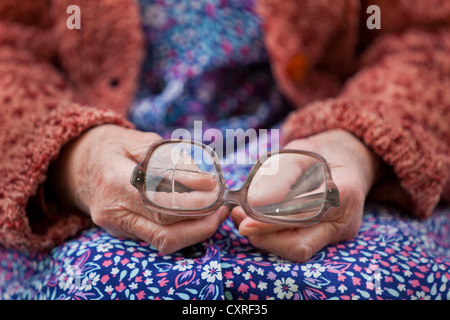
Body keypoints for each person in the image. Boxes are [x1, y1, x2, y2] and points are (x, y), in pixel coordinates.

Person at [0, 0, 449, 300]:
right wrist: (74, 157)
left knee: (380, 282)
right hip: (116, 171)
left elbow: (430, 39)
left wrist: (357, 142)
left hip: (316, 170)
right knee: (102, 282)